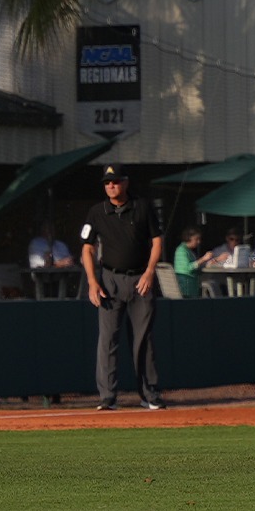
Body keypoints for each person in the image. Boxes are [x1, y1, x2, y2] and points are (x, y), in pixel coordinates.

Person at [79, 164, 165, 410]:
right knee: (107, 340)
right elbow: (87, 248)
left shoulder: (142, 207)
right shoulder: (97, 212)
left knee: (143, 339)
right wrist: (93, 282)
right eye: (107, 183)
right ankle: (107, 397)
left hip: (140, 279)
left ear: (126, 183)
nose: (111, 186)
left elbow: (157, 241)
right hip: (110, 280)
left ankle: (149, 395)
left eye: (115, 182)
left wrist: (150, 272)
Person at [171, 226, 208, 298]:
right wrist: (203, 259)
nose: (199, 242)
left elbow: (195, 266)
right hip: (186, 286)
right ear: (189, 238)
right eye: (196, 239)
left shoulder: (189, 251)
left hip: (192, 284)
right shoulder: (181, 250)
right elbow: (188, 268)